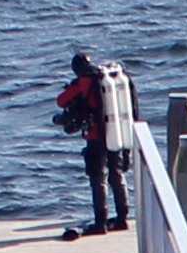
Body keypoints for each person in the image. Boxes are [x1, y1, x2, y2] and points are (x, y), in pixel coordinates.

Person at [50, 50, 131, 235]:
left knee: (98, 178)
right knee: (116, 174)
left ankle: (100, 222)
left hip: (96, 136)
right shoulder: (107, 79)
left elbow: (62, 101)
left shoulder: (84, 82)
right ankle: (122, 219)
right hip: (116, 132)